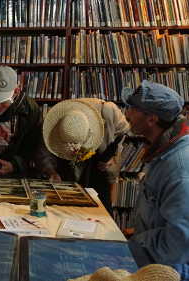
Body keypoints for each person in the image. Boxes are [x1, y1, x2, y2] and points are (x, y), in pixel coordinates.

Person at [122, 80, 189, 280]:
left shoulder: (179, 168)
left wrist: (137, 243)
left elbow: (179, 243)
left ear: (151, 119)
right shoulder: (164, 150)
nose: (126, 114)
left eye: (133, 108)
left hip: (167, 271)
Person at [42, 98, 130, 211]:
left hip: (98, 167)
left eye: (77, 144)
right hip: (67, 174)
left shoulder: (108, 111)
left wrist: (113, 157)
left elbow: (124, 131)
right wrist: (51, 172)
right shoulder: (54, 122)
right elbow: (42, 153)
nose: (74, 149)